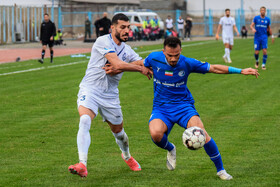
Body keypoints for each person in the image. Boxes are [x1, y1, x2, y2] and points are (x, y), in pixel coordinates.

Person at [143, 37, 259, 180]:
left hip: (183, 107)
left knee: (202, 133)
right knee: (156, 135)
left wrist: (240, 71)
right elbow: (141, 63)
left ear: (181, 51)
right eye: (170, 55)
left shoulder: (187, 63)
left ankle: (221, 170)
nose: (173, 59)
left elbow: (214, 68)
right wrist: (128, 67)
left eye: (176, 55)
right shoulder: (154, 58)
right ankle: (171, 148)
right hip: (161, 108)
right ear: (163, 52)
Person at [68, 13, 153, 178]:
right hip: (90, 89)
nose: (126, 30)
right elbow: (117, 63)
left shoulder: (127, 50)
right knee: (85, 120)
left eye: (128, 27)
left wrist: (143, 65)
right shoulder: (103, 41)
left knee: (119, 132)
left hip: (110, 95)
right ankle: (82, 164)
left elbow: (141, 61)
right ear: (112, 28)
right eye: (122, 27)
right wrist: (138, 68)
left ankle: (127, 155)